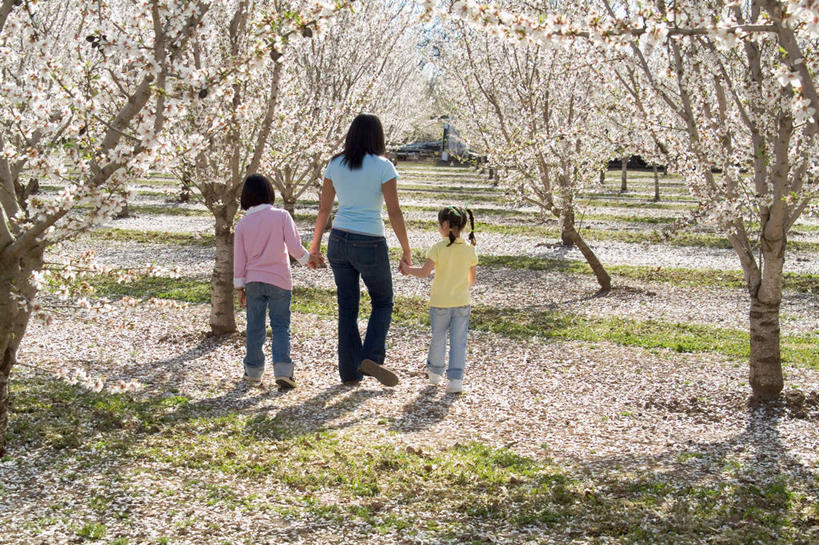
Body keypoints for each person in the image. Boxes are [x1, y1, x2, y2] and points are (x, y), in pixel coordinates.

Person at [309, 114, 412, 387]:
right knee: (382, 301)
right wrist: (406, 249)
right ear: (377, 136)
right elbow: (394, 211)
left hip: (339, 240)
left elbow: (323, 209)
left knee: (347, 308)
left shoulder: (335, 164)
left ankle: (350, 373)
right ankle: (372, 356)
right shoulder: (383, 166)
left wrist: (315, 246)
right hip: (370, 241)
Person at [234, 173, 322, 390]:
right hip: (280, 281)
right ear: (269, 193)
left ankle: (253, 372)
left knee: (254, 327)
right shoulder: (282, 216)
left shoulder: (243, 224)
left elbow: (239, 258)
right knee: (281, 325)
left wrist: (239, 286)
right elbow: (294, 247)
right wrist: (307, 260)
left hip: (254, 281)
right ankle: (283, 371)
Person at [399, 206, 478, 393]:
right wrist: (462, 291)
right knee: (459, 341)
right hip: (461, 302)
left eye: (439, 224)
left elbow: (425, 272)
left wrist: (407, 269)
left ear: (445, 225)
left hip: (440, 303)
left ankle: (435, 374)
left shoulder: (438, 248)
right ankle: (455, 381)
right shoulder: (470, 250)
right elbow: (472, 278)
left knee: (438, 338)